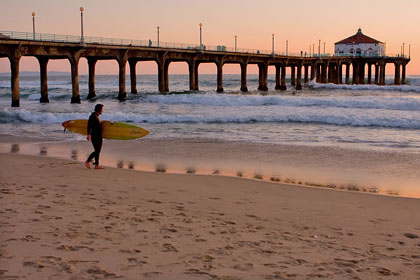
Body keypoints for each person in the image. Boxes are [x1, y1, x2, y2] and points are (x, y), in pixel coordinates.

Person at [85, 104, 104, 169]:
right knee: (97, 151)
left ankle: (96, 165)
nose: (103, 111)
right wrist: (88, 134)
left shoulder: (97, 116)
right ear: (99, 109)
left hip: (98, 136)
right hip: (95, 136)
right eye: (102, 109)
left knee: (97, 150)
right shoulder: (93, 116)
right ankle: (87, 161)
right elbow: (89, 126)